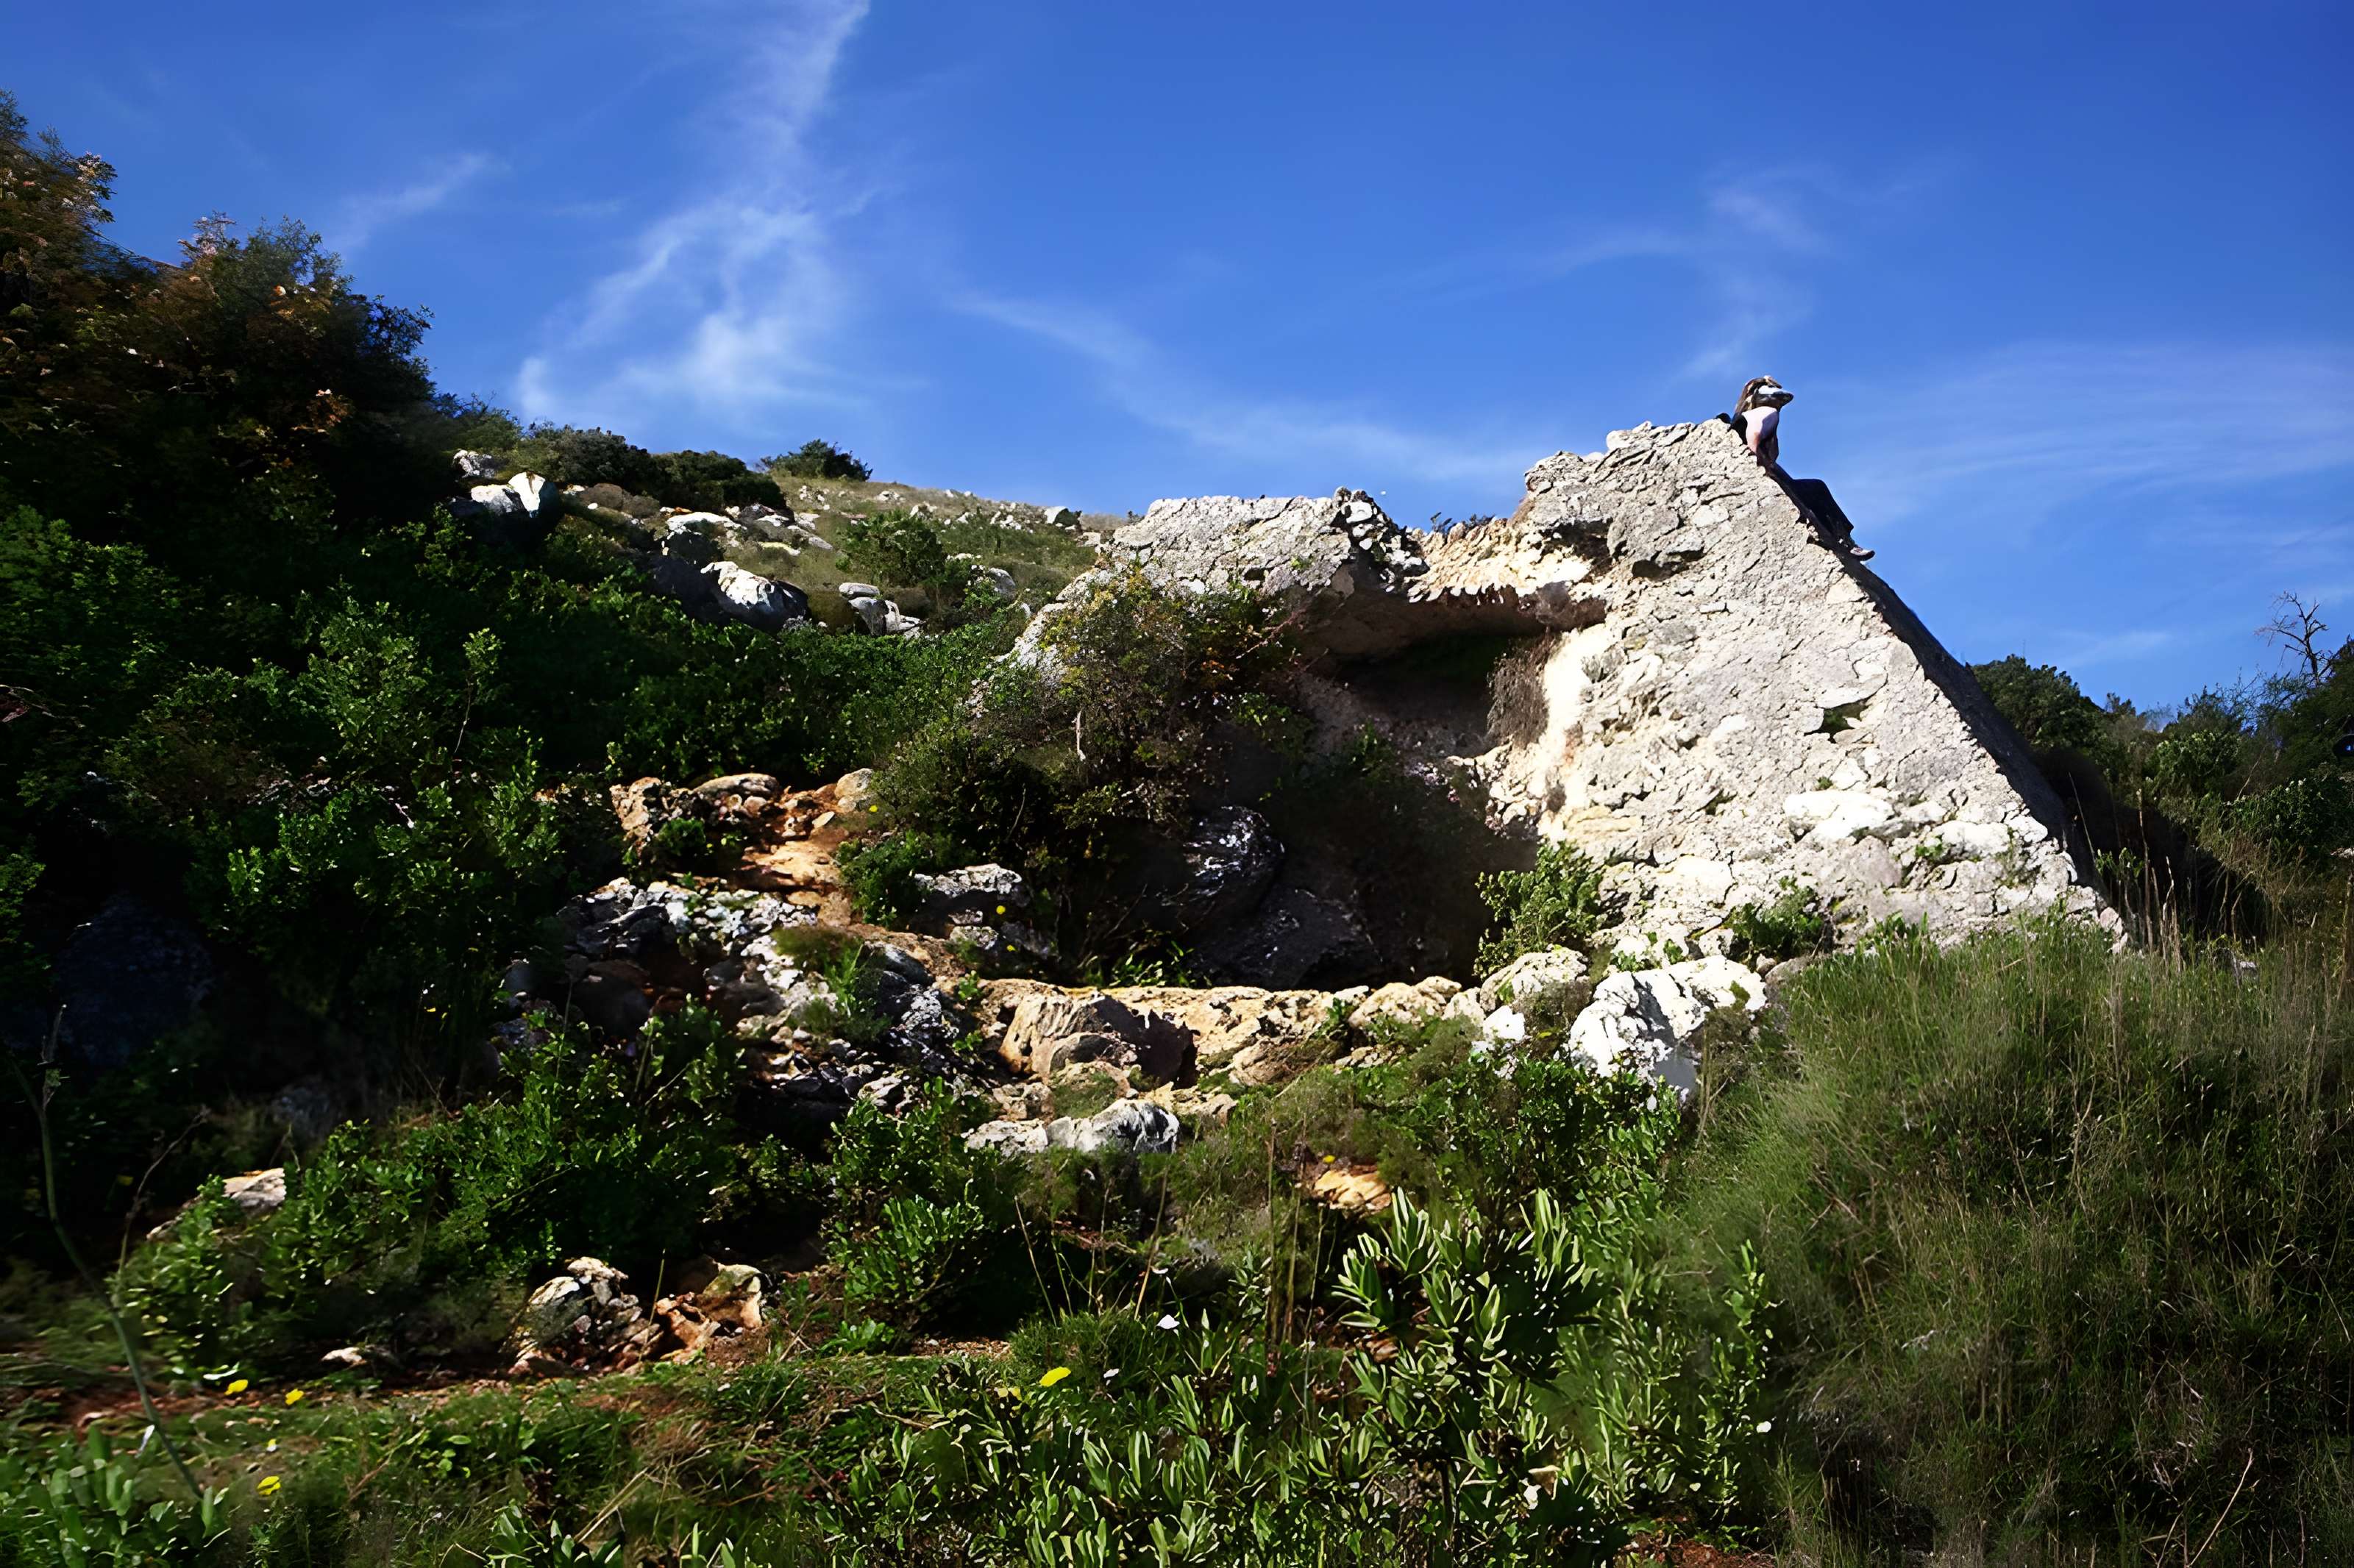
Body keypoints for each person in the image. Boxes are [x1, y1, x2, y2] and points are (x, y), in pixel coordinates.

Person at [1718, 376, 1874, 562]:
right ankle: (1845, 541)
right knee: (1816, 488)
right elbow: (1756, 432)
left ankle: (1834, 537)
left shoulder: (1738, 419)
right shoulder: (1768, 411)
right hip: (1756, 467)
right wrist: (1755, 460)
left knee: (1801, 487)